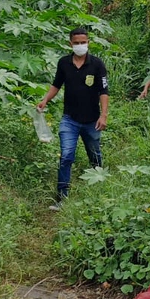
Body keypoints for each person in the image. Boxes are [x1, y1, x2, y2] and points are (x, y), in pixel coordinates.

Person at [37, 27, 109, 209]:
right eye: (76, 43)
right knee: (66, 155)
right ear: (70, 44)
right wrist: (45, 99)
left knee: (95, 157)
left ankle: (99, 193)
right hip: (69, 119)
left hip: (92, 121)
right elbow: (56, 85)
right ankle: (62, 198)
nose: (80, 46)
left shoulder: (97, 64)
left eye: (83, 42)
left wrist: (103, 114)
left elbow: (104, 91)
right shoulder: (64, 63)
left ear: (88, 43)